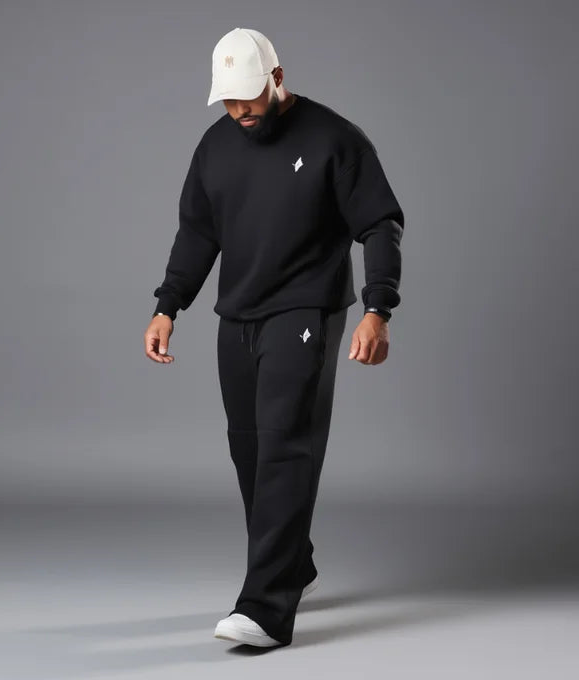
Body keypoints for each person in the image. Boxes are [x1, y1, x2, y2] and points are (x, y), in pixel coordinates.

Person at [144, 27, 405, 647]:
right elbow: (197, 232)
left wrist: (378, 309)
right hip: (237, 316)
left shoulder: (334, 139)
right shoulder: (215, 146)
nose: (240, 110)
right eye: (228, 100)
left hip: (305, 311)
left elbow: (380, 223)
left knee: (287, 445)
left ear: (277, 77)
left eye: (249, 96)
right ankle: (295, 566)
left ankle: (265, 608)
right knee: (250, 450)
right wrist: (167, 305)